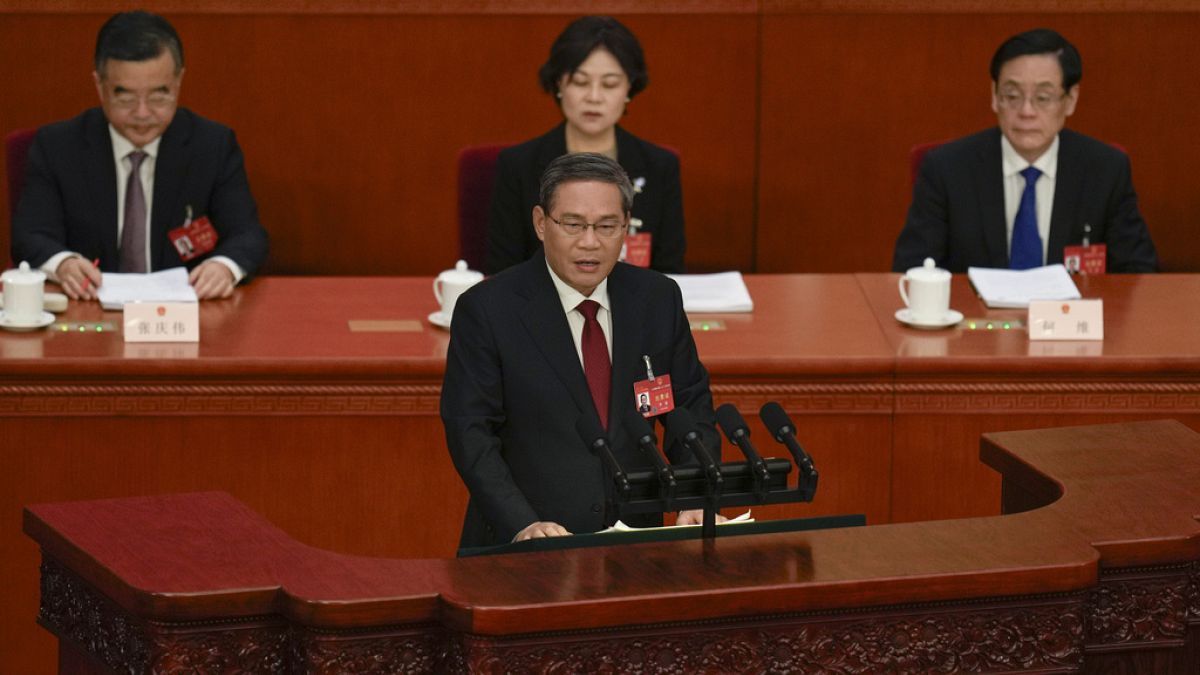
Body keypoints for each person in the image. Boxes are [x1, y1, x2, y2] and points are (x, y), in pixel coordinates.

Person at [443, 153, 718, 549]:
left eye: (607, 226)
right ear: (541, 223)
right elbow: (471, 432)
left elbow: (688, 405)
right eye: (573, 225)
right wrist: (523, 523)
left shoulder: (656, 298)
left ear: (626, 227)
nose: (590, 243)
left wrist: (694, 494)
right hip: (523, 545)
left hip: (637, 546)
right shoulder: (488, 309)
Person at [12, 10, 269, 301]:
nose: (143, 113)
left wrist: (223, 267)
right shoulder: (58, 147)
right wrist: (64, 264)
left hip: (186, 316)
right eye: (126, 96)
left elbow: (248, 234)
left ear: (179, 81)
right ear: (100, 86)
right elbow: (30, 236)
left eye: (160, 95)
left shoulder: (212, 145)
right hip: (87, 307)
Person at [892, 28, 1158, 274]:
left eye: (1043, 98)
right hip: (975, 321)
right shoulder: (947, 169)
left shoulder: (1105, 170)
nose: (1026, 112)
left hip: (1068, 321)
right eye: (1012, 95)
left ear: (1070, 100)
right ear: (994, 96)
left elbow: (1138, 275)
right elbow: (913, 270)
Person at [484, 15, 685, 275]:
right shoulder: (518, 165)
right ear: (559, 84)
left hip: (634, 311)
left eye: (610, 84)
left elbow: (669, 272)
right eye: (580, 82)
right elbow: (503, 272)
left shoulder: (660, 167)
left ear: (629, 89)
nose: (594, 97)